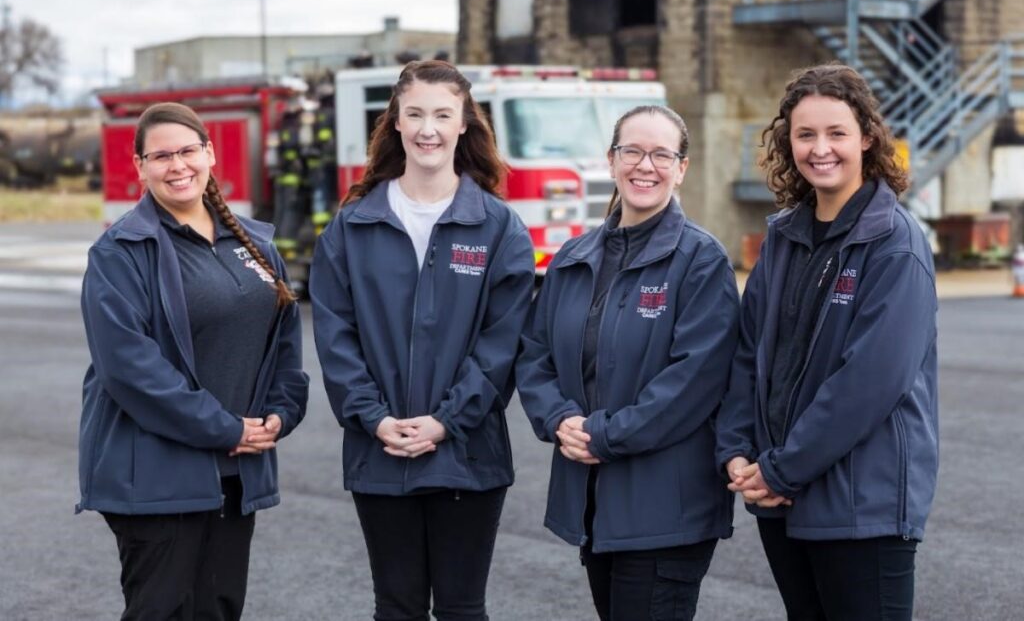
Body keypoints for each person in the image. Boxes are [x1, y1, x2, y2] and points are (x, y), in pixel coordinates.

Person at [309, 60, 535, 621]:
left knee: (461, 609)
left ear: (464, 125)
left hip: (467, 454)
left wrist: (445, 422)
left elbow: (502, 346)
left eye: (442, 114)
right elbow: (336, 340)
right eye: (415, 114)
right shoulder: (351, 227)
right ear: (396, 123)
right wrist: (375, 418)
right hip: (379, 448)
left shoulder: (498, 227)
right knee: (398, 606)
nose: (428, 128)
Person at [715, 63, 939, 621]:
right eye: (805, 134)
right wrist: (737, 451)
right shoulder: (785, 236)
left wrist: (781, 470)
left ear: (867, 136)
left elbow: (869, 383)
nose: (821, 149)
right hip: (783, 498)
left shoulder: (895, 245)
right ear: (787, 141)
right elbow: (750, 354)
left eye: (836, 133)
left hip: (862, 502)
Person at [77, 102, 309, 621]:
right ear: (140, 167)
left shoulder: (254, 244)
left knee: (219, 609)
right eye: (160, 156)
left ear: (209, 154)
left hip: (234, 471)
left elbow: (284, 344)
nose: (177, 165)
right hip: (155, 476)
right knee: (163, 611)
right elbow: (129, 369)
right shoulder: (120, 252)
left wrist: (282, 410)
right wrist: (223, 428)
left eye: (187, 151)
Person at [516, 105, 740, 621]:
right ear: (611, 160)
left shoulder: (700, 261)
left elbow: (693, 382)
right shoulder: (573, 258)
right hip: (597, 506)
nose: (646, 165)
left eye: (662, 154)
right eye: (632, 151)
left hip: (666, 512)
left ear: (682, 168)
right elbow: (535, 356)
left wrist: (602, 436)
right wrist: (559, 420)